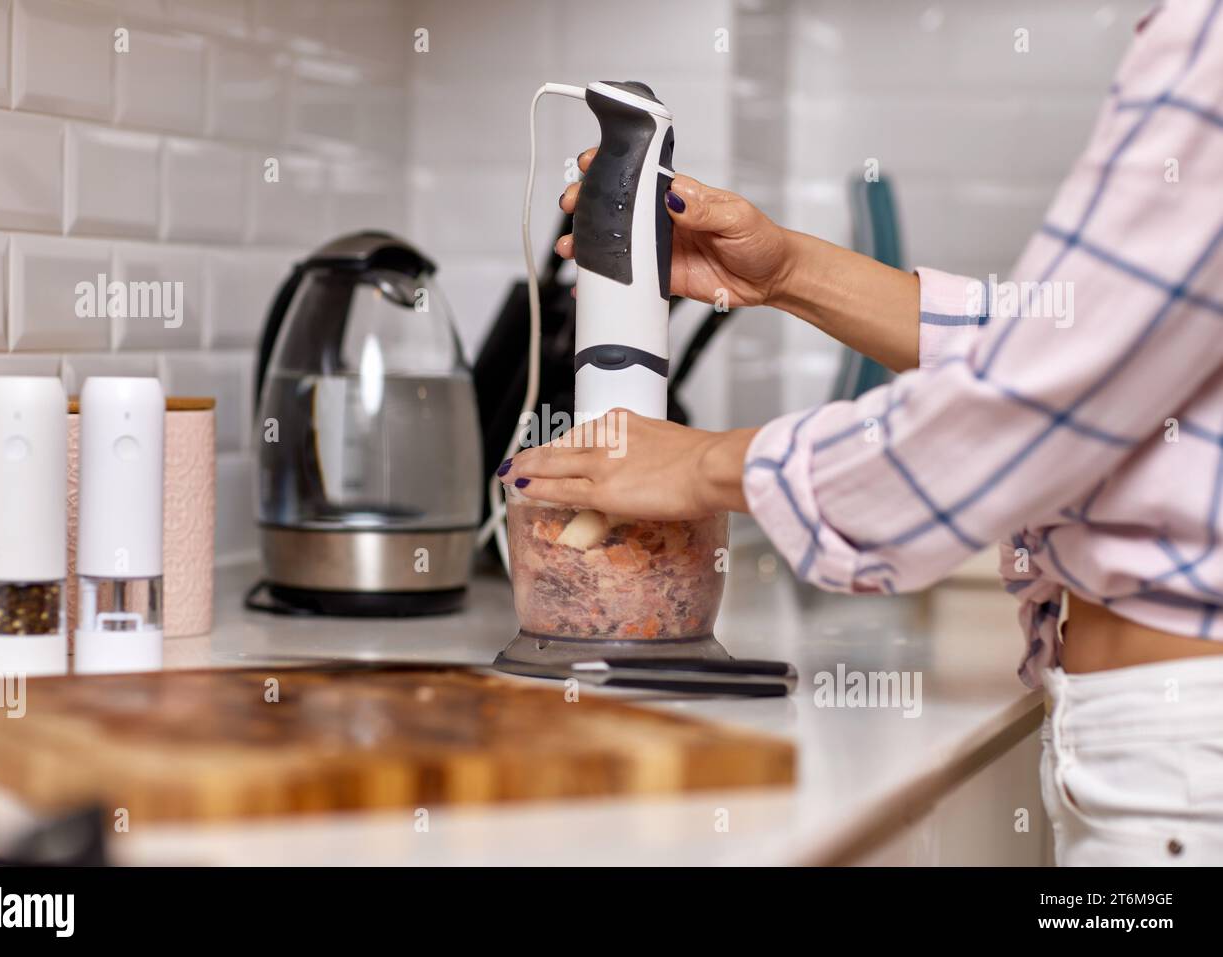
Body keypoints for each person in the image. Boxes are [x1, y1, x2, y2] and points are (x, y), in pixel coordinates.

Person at [499, 0, 1223, 866]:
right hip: (1159, 753)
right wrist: (791, 271)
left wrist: (705, 465)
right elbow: (1084, 338)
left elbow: (1043, 397)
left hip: (1181, 766)